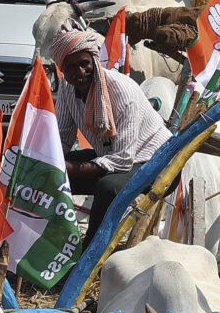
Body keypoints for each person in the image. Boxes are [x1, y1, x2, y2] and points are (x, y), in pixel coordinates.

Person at [47, 26, 170, 248]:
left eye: (84, 63)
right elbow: (61, 138)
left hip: (154, 161)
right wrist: (49, 163)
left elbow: (123, 160)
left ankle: (90, 253)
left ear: (94, 61)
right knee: (47, 175)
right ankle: (54, 244)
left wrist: (67, 167)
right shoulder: (66, 87)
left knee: (107, 188)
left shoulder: (121, 91)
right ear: (62, 69)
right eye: (71, 67)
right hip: (112, 155)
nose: (80, 72)